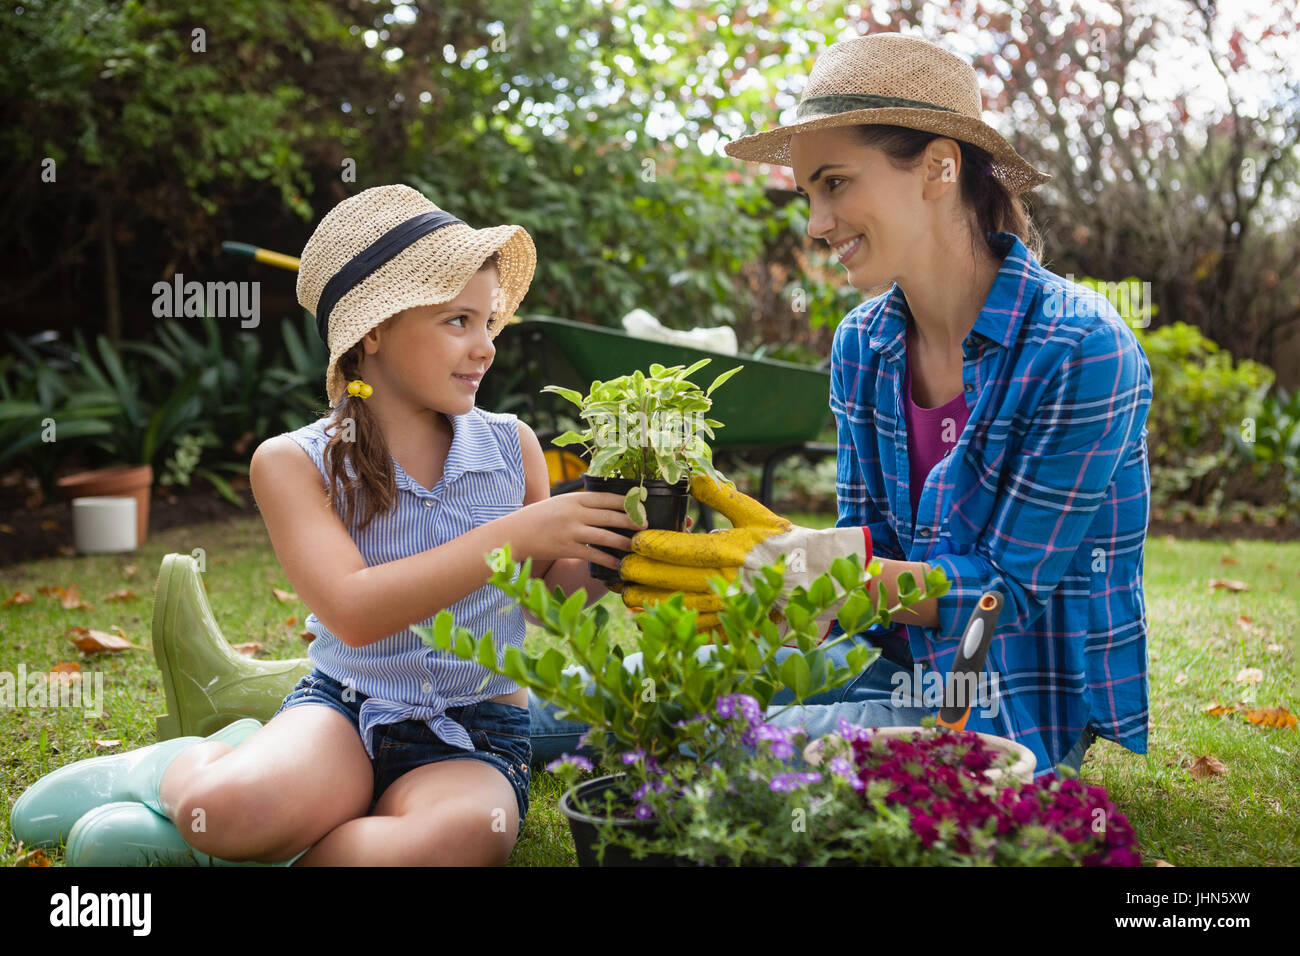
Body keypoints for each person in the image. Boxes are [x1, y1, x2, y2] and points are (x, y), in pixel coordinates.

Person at [541, 32, 1154, 781]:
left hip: (1001, 691)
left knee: (706, 745)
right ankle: (440, 740)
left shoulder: (1081, 347)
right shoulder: (865, 344)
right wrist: (776, 596)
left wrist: (811, 566)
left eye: (834, 183)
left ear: (938, 167)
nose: (815, 223)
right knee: (634, 697)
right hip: (882, 658)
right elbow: (868, 540)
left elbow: (1005, 594)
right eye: (808, 194)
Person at [10, 184, 643, 865]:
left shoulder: (511, 446)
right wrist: (516, 534)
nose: (485, 346)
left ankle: (245, 850)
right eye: (459, 321)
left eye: (489, 322)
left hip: (477, 728)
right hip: (345, 709)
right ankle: (176, 770)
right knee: (229, 808)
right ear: (374, 330)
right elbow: (353, 610)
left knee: (459, 839)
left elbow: (545, 599)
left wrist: (612, 550)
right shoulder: (294, 463)